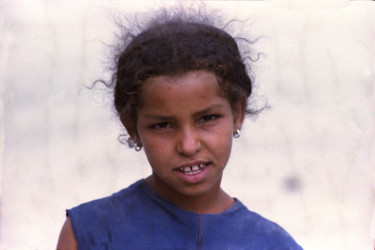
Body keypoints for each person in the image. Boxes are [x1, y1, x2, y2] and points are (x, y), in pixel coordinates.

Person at [57, 8, 303, 249]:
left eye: (207, 118)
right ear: (131, 127)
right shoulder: (91, 234)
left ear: (237, 113)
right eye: (163, 125)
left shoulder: (272, 243)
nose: (188, 145)